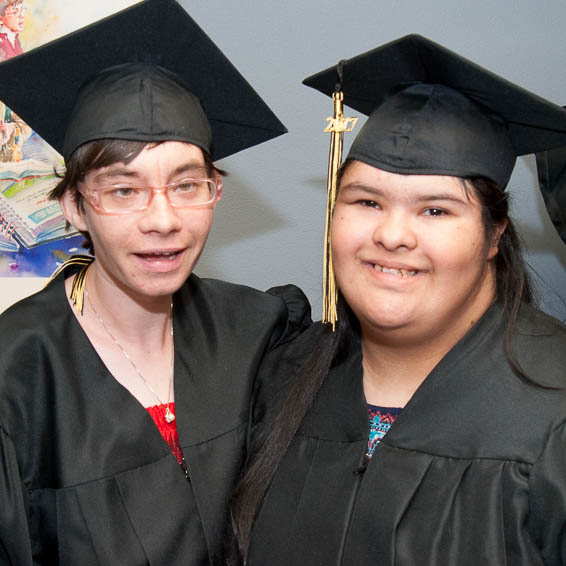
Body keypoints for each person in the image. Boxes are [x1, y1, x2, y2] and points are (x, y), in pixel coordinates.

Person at [231, 35, 566, 565]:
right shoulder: (281, 377)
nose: (392, 235)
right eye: (366, 201)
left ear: (495, 232)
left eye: (435, 210)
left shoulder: (555, 409)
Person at [0, 1, 309, 564]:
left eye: (187, 185)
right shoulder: (14, 372)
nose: (164, 220)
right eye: (124, 190)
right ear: (74, 206)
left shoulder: (258, 333)